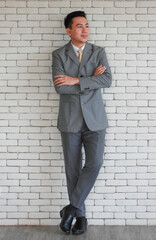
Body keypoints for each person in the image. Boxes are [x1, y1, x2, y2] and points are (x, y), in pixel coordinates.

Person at [52, 11, 112, 235]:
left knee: (94, 163)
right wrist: (91, 80)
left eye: (86, 25)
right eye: (79, 26)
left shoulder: (98, 52)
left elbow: (107, 79)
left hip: (95, 119)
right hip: (70, 120)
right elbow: (60, 87)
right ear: (69, 30)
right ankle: (81, 218)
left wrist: (76, 79)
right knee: (73, 170)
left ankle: (70, 209)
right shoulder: (58, 55)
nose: (85, 30)